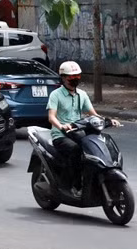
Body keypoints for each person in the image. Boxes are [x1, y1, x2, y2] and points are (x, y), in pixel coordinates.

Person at [47, 61, 119, 193]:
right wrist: (62, 126)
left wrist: (109, 120)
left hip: (79, 132)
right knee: (75, 150)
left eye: (77, 76)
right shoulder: (55, 95)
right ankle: (72, 185)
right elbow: (51, 117)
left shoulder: (82, 94)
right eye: (71, 77)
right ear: (63, 77)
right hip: (61, 135)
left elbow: (93, 114)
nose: (74, 79)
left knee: (98, 145)